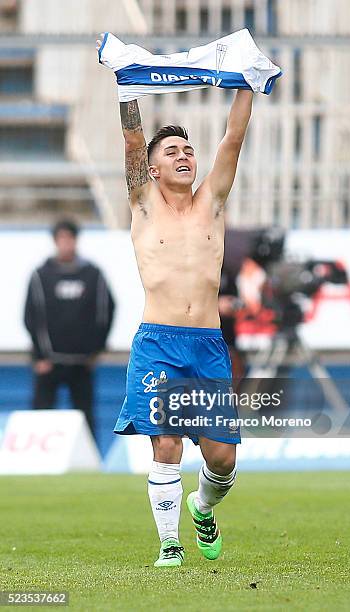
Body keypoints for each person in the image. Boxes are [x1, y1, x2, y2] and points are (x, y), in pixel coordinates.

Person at [97, 38, 253, 569]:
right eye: (172, 152)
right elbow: (132, 135)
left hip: (207, 345)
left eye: (187, 149)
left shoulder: (212, 201)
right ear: (153, 169)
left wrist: (248, 81)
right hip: (159, 342)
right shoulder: (142, 203)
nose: (184, 156)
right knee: (166, 443)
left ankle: (204, 507)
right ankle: (170, 544)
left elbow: (233, 137)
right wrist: (127, 86)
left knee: (222, 459)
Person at [24, 219, 115, 437]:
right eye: (61, 239)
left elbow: (106, 310)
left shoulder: (93, 275)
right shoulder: (41, 275)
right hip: (49, 361)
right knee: (41, 414)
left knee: (86, 415)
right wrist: (39, 356)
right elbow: (30, 317)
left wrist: (96, 350)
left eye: (69, 239)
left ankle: (91, 463)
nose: (66, 244)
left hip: (82, 362)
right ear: (55, 241)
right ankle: (38, 459)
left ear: (76, 240)